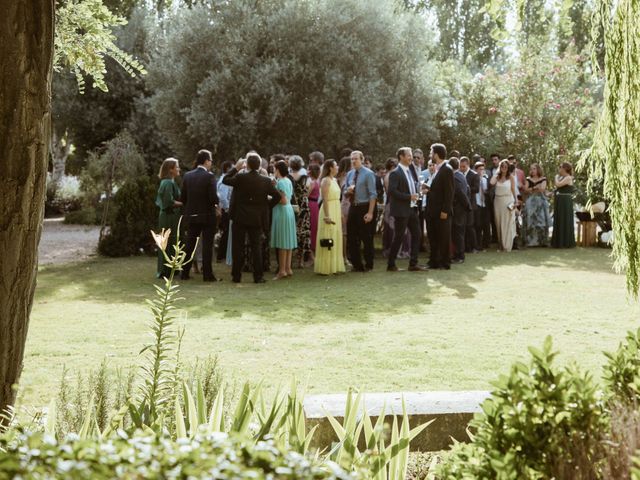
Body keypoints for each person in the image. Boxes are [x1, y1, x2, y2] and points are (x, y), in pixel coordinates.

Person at [222, 153, 280, 283]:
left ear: (246, 165)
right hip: (257, 218)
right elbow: (277, 196)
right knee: (256, 248)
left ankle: (236, 276)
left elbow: (225, 180)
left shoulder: (241, 177)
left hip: (240, 217)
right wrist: (266, 206)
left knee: (238, 247)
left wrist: (235, 168)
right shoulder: (265, 181)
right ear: (259, 165)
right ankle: (258, 276)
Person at [180, 149, 219, 282]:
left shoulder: (187, 176)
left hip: (192, 214)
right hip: (207, 215)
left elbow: (183, 197)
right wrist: (216, 204)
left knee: (190, 244)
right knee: (207, 245)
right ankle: (207, 274)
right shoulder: (210, 177)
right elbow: (213, 198)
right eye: (211, 161)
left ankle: (184, 272)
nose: (211, 163)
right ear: (207, 161)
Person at [386, 147, 426, 272]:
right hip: (401, 210)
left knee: (417, 234)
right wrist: (409, 197)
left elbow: (412, 186)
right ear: (401, 157)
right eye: (408, 155)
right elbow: (392, 192)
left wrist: (420, 192)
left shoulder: (411, 170)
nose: (411, 157)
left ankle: (413, 264)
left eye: (411, 155)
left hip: (412, 209)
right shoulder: (395, 173)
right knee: (398, 237)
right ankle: (391, 264)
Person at [345, 150, 378, 272]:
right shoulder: (349, 174)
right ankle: (356, 264)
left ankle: (369, 264)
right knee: (352, 237)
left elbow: (373, 195)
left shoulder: (369, 174)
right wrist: (347, 192)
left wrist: (370, 213)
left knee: (366, 237)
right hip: (353, 206)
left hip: (365, 206)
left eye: (356, 159)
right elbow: (345, 192)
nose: (353, 161)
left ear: (362, 160)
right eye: (352, 159)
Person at [314, 160, 346, 275]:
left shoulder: (335, 180)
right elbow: (325, 199)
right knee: (328, 235)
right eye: (336, 165)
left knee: (336, 235)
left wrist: (341, 213)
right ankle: (326, 267)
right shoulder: (325, 180)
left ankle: (335, 265)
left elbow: (338, 198)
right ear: (331, 168)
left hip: (336, 208)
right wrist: (327, 215)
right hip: (328, 209)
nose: (338, 167)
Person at [426, 143, 454, 270]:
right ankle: (434, 261)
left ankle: (445, 262)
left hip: (441, 212)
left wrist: (445, 211)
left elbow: (449, 193)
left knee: (443, 238)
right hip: (433, 211)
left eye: (431, 152)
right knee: (434, 237)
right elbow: (437, 190)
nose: (430, 155)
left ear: (436, 154)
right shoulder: (437, 169)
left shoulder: (447, 169)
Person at [155, 158, 183, 279]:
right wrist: (184, 203)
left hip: (168, 215)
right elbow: (168, 202)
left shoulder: (168, 182)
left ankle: (170, 268)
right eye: (177, 167)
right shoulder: (168, 183)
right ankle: (166, 270)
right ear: (171, 169)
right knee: (169, 241)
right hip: (168, 216)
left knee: (170, 242)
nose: (179, 169)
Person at [271, 160, 298, 279]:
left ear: (278, 170)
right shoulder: (288, 181)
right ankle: (288, 268)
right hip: (288, 211)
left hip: (282, 211)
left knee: (282, 241)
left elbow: (283, 200)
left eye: (274, 169)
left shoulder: (281, 182)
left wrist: (273, 190)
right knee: (287, 241)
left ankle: (282, 270)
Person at [382, 157, 410, 259]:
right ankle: (397, 251)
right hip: (394, 204)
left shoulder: (388, 175)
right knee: (395, 228)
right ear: (393, 166)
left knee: (392, 228)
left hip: (390, 204)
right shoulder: (391, 175)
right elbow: (391, 192)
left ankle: (392, 250)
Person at [289, 155, 312, 268]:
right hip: (303, 205)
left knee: (292, 231)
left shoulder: (288, 177)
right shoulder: (305, 177)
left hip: (292, 205)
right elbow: (307, 190)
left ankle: (290, 259)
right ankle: (300, 261)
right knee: (303, 233)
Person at [490, 159, 517, 252]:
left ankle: (506, 246)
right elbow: (491, 183)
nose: (504, 168)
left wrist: (516, 201)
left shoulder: (511, 177)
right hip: (497, 201)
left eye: (506, 167)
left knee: (507, 223)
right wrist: (497, 172)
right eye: (502, 166)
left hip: (507, 200)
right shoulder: (497, 177)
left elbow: (513, 190)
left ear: (508, 168)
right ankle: (501, 244)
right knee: (498, 223)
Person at [523, 163, 550, 247]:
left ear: (538, 169)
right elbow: (525, 190)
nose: (532, 170)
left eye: (534, 169)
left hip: (541, 201)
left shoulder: (543, 179)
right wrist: (535, 188)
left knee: (541, 220)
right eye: (531, 169)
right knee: (530, 220)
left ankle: (542, 241)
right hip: (530, 202)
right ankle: (530, 241)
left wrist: (534, 188)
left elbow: (542, 189)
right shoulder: (528, 179)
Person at [450, 157, 471, 264]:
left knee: (458, 234)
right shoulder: (461, 176)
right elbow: (468, 190)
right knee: (459, 233)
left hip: (458, 209)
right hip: (461, 209)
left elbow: (460, 193)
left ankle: (460, 256)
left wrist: (466, 205)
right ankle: (458, 255)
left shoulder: (454, 177)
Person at [551, 162, 576, 248]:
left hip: (565, 201)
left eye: (560, 167)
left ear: (565, 169)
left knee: (564, 219)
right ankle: (558, 242)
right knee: (559, 219)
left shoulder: (568, 178)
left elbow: (558, 184)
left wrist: (555, 178)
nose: (559, 169)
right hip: (559, 201)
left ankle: (565, 242)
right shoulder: (562, 177)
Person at [459, 156, 479, 253]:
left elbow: (477, 189)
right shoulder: (458, 174)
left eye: (463, 166)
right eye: (460, 166)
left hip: (471, 204)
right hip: (461, 205)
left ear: (468, 165)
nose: (462, 168)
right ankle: (466, 247)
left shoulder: (474, 175)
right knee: (463, 226)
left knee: (470, 226)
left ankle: (474, 247)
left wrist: (466, 188)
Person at [216, 160, 233, 262]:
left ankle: (223, 254)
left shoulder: (225, 179)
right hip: (226, 210)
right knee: (226, 233)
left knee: (226, 232)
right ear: (228, 169)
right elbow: (222, 197)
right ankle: (221, 255)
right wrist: (227, 208)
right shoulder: (224, 180)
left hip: (226, 209)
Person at [337, 156, 352, 265]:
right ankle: (344, 256)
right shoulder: (343, 177)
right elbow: (344, 192)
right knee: (344, 233)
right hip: (346, 205)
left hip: (350, 204)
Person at [473, 162, 491, 250]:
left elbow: (489, 191)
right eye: (480, 169)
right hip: (477, 204)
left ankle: (486, 243)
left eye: (483, 169)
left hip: (485, 204)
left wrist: (487, 191)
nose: (481, 171)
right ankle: (478, 244)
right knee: (478, 225)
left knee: (486, 224)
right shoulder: (474, 179)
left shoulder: (486, 179)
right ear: (476, 170)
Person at [308, 164, 321, 257]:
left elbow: (306, 194)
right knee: (314, 227)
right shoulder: (318, 182)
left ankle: (312, 254)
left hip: (310, 205)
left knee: (311, 227)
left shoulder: (312, 183)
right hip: (315, 205)